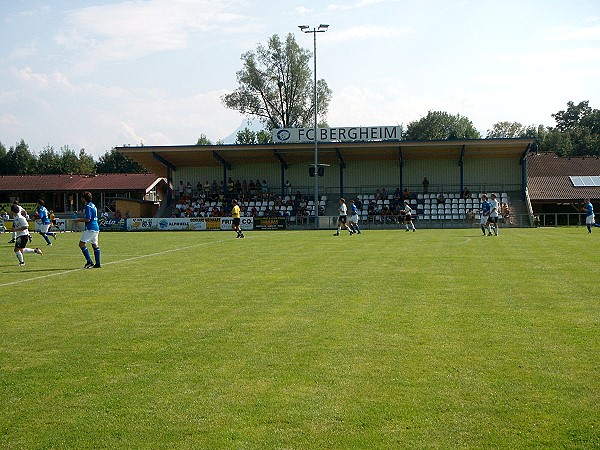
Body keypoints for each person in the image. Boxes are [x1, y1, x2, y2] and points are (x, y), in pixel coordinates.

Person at [74, 191, 101, 268]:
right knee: (95, 245)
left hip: (90, 228)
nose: (81, 199)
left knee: (81, 244)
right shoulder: (93, 205)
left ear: (84, 198)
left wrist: (78, 220)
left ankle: (89, 262)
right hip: (96, 227)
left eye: (82, 198)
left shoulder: (88, 206)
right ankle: (98, 263)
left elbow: (88, 219)